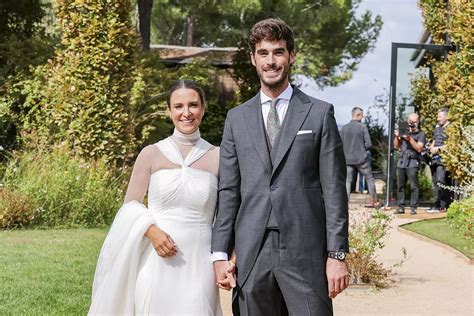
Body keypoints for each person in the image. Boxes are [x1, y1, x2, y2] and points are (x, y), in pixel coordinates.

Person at [212, 18, 349, 316]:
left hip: (305, 250)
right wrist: (220, 254)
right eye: (263, 53)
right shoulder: (236, 119)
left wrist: (337, 255)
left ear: (291, 56)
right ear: (253, 58)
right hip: (251, 250)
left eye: (278, 52)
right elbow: (228, 190)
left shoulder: (319, 113)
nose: (271, 61)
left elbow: (335, 190)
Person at [89, 80, 223, 315]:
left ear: (203, 108)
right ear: (169, 110)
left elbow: (228, 212)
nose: (186, 113)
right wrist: (152, 231)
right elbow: (130, 205)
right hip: (155, 260)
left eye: (193, 105)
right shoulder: (151, 154)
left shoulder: (219, 156)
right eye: (178, 106)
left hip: (199, 262)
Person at [340, 107, 379, 207]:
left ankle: (345, 203)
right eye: (362, 115)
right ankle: (374, 201)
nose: (363, 117)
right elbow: (369, 144)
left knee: (347, 181)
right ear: (357, 115)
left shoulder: (344, 128)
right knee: (369, 178)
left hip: (347, 158)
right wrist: (362, 149)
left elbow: (339, 144)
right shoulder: (362, 127)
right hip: (361, 159)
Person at [394, 113, 426, 215]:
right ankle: (400, 207)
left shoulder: (421, 134)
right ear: (407, 121)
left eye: (415, 121)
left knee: (414, 186)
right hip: (402, 161)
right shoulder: (404, 131)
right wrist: (397, 137)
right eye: (411, 121)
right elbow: (396, 146)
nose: (412, 123)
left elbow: (419, 148)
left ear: (418, 121)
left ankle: (413, 207)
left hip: (412, 161)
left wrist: (410, 139)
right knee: (400, 186)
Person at [427, 108, 450, 213]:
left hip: (443, 159)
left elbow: (451, 145)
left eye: (440, 117)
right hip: (435, 159)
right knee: (435, 182)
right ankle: (436, 204)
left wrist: (439, 149)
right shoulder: (437, 128)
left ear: (446, 117)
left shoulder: (450, 128)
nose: (437, 119)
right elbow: (435, 141)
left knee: (441, 181)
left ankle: (443, 205)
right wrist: (430, 149)